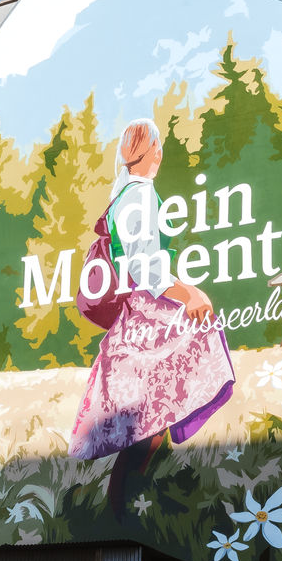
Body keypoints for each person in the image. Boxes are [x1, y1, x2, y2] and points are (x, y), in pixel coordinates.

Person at [70, 119, 234, 512]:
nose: (161, 152)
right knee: (148, 420)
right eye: (159, 145)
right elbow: (146, 269)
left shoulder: (124, 194)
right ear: (155, 150)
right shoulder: (139, 196)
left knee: (150, 420)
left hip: (139, 314)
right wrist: (188, 292)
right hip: (147, 314)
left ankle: (125, 507)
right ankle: (122, 509)